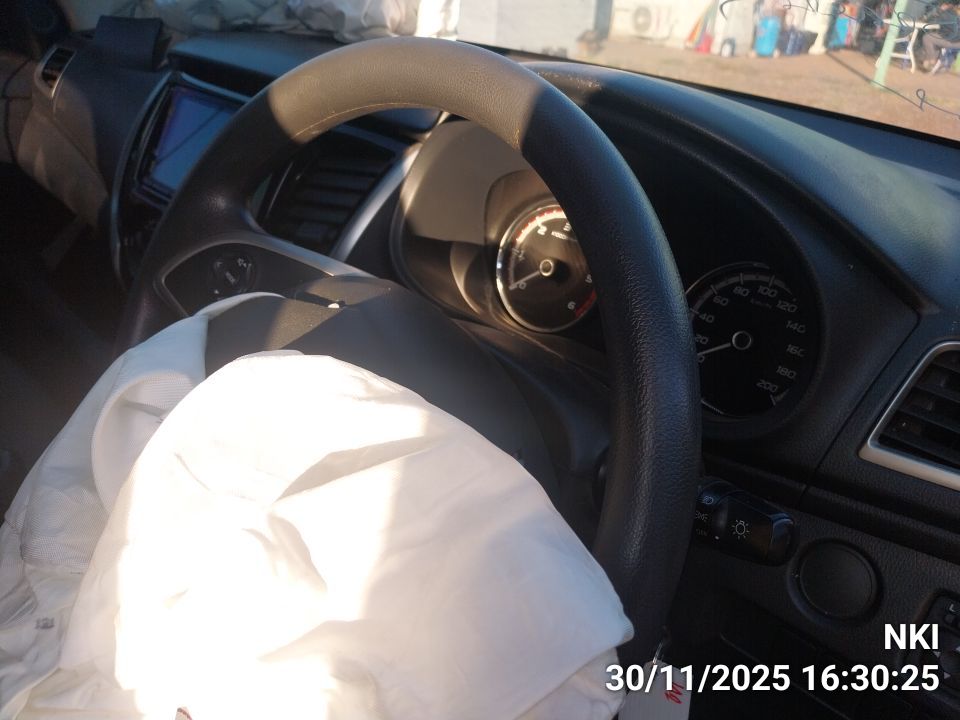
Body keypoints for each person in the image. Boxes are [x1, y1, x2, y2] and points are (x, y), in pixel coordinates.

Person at [921, 1, 960, 69]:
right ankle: (930, 61)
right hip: (955, 42)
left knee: (927, 38)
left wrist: (940, 10)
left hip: (952, 42)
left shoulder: (948, 13)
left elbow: (930, 22)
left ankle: (932, 61)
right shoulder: (952, 14)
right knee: (935, 38)